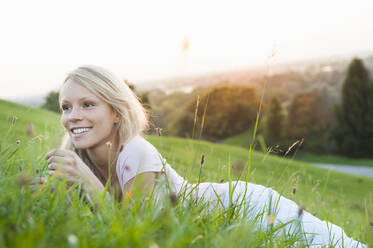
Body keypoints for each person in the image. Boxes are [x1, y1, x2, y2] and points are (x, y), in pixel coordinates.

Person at [45, 65, 366, 248]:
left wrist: (89, 185)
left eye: (88, 105)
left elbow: (136, 233)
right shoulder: (82, 160)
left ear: (116, 112)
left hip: (244, 211)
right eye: (66, 107)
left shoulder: (135, 152)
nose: (73, 116)